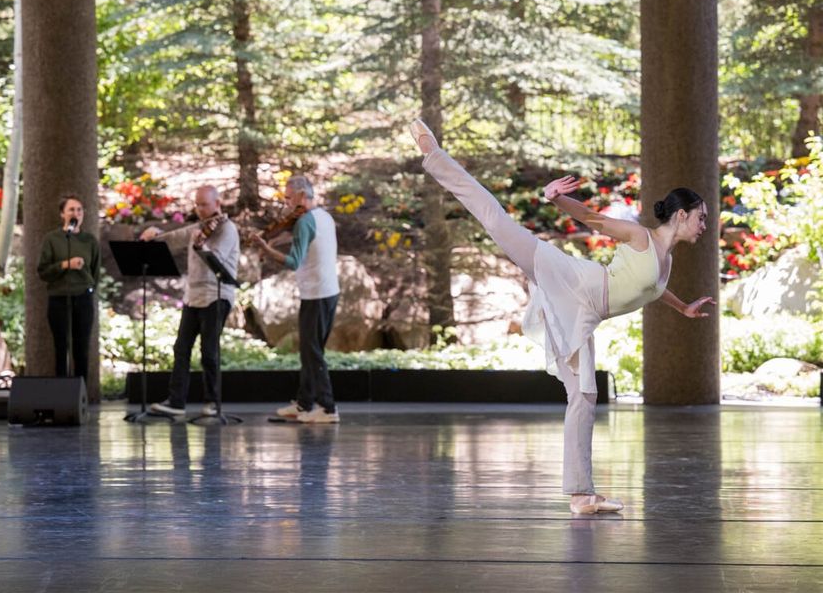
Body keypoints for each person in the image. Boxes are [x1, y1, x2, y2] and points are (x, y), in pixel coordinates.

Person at [408, 118, 713, 514]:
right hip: (573, 281)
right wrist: (554, 197)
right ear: (682, 215)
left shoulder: (665, 258)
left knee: (584, 395)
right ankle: (434, 154)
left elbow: (653, 290)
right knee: (498, 221)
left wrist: (683, 307)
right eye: (702, 217)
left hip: (585, 314)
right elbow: (593, 220)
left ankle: (582, 495)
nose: (706, 225)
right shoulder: (641, 237)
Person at [139, 185, 241, 418]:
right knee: (181, 348)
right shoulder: (198, 228)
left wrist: (201, 246)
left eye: (205, 204)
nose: (201, 209)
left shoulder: (227, 229)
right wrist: (155, 235)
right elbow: (175, 237)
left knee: (209, 350)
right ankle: (176, 403)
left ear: (217, 204)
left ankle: (213, 403)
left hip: (217, 295)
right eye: (197, 204)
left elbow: (217, 262)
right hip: (193, 297)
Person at [251, 175, 341, 424]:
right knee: (310, 350)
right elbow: (309, 241)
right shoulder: (323, 216)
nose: (287, 203)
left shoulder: (304, 223)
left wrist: (265, 248)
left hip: (316, 293)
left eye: (289, 198)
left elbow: (293, 261)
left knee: (312, 352)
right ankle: (304, 403)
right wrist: (274, 238)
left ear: (302, 196)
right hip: (328, 291)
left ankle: (328, 407)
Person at [37, 195, 101, 380]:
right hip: (59, 297)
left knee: (82, 347)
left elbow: (95, 271)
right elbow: (43, 271)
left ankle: (81, 394)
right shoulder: (53, 239)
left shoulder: (89, 241)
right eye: (71, 210)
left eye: (79, 210)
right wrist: (65, 265)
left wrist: (89, 288)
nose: (76, 213)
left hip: (83, 297)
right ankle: (61, 394)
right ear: (62, 214)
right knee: (61, 346)